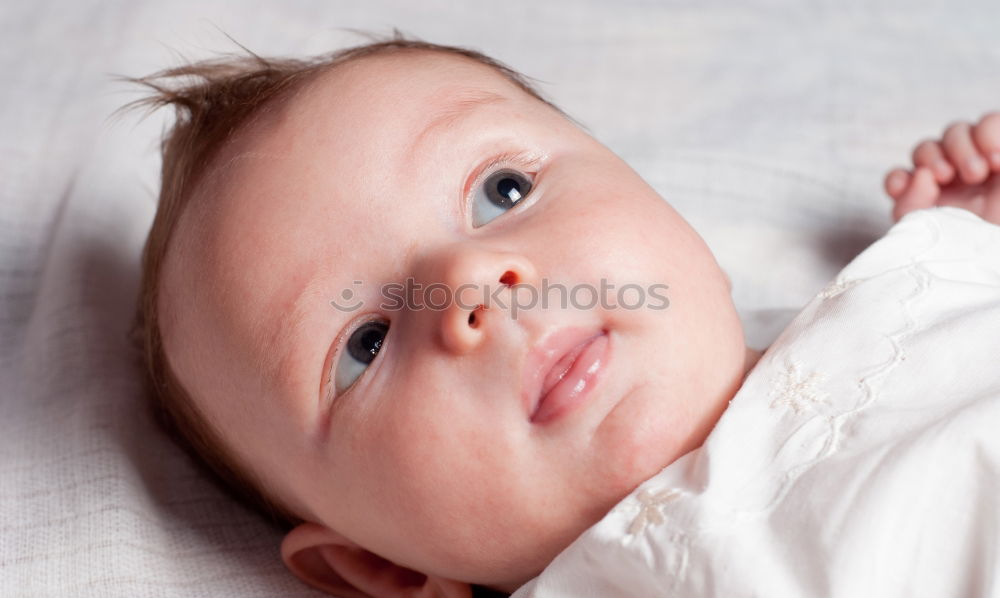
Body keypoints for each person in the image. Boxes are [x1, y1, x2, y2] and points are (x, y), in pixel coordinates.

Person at [122, 30, 1000, 598]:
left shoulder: (915, 287)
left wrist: (973, 238)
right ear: (382, 565)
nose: (472, 286)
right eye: (365, 342)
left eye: (505, 190)